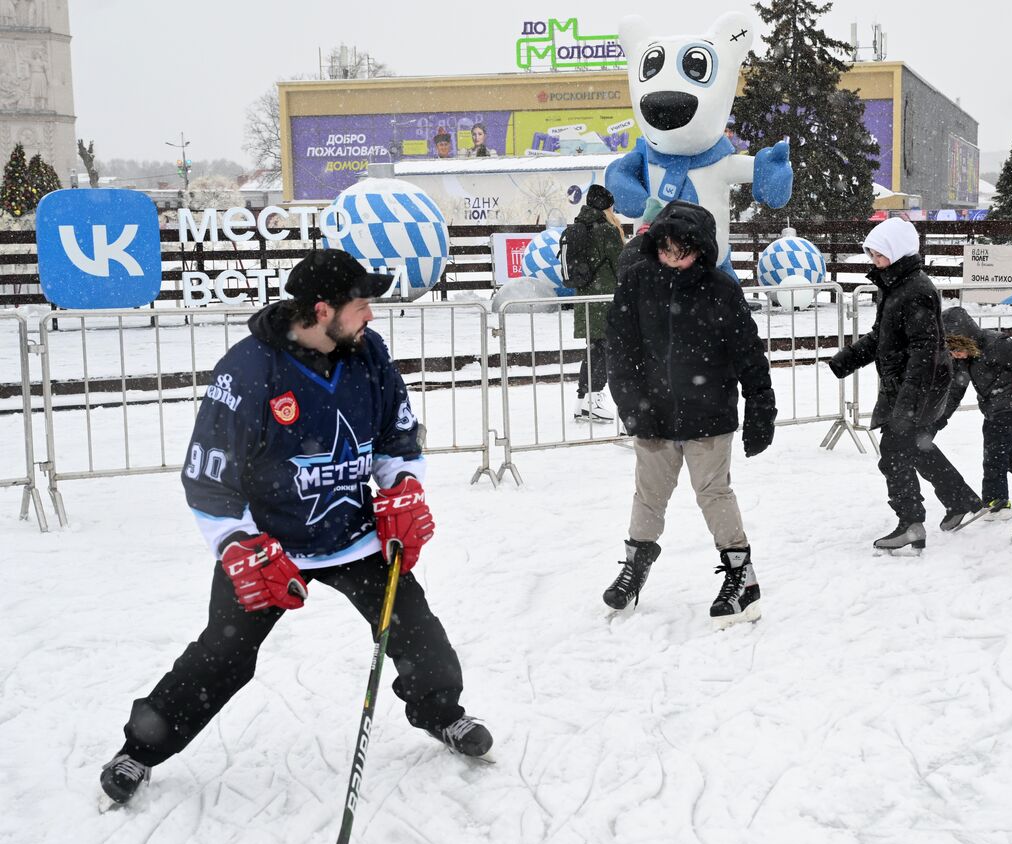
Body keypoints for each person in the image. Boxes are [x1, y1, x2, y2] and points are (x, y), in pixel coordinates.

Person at [97, 249, 492, 809]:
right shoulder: (249, 370)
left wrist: (402, 484)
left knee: (416, 632)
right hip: (269, 547)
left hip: (352, 537)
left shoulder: (368, 353)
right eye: (361, 307)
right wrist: (237, 544)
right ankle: (140, 748)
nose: (372, 318)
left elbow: (396, 437)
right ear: (322, 309)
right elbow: (209, 477)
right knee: (223, 656)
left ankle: (441, 714)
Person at [603, 200, 776, 627]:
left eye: (683, 249)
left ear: (699, 247)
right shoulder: (637, 282)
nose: (673, 257)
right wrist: (632, 406)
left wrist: (761, 406)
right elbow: (619, 350)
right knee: (649, 494)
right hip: (654, 414)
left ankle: (742, 577)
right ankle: (635, 565)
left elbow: (748, 352)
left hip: (709, 413)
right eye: (666, 248)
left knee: (713, 493)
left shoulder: (720, 288)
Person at [828, 217, 983, 552]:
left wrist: (908, 405)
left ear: (897, 252)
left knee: (894, 452)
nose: (874, 261)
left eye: (879, 255)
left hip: (917, 386)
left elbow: (924, 353)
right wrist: (848, 359)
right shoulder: (895, 287)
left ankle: (911, 522)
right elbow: (881, 337)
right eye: (871, 255)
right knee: (916, 447)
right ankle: (961, 500)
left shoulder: (916, 291)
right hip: (904, 384)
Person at [941, 306, 1012, 518]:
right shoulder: (962, 360)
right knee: (1004, 451)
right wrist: (941, 417)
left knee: (994, 452)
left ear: (966, 339)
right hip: (992, 408)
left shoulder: (997, 345)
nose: (954, 354)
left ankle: (996, 499)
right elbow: (955, 391)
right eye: (950, 351)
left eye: (956, 348)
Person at [570, 184, 626, 423]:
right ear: (606, 207)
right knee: (604, 351)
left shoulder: (578, 226)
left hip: (585, 299)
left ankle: (581, 402)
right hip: (605, 300)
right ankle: (594, 399)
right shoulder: (606, 230)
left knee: (593, 350)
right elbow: (620, 265)